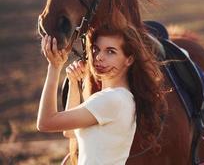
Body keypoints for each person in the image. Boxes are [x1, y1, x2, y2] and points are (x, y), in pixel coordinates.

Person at [36, 24, 167, 165]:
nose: (98, 57)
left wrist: (54, 67)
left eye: (110, 52)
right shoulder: (120, 97)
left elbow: (45, 122)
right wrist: (74, 84)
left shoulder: (112, 99)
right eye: (96, 49)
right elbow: (70, 132)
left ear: (129, 59)